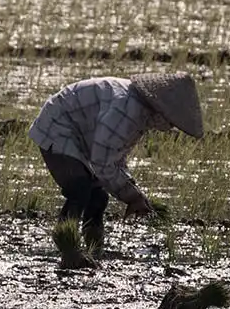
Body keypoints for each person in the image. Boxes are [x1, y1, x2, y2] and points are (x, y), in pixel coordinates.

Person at [28, 73, 204, 269]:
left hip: (78, 133)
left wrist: (134, 192)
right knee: (80, 189)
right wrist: (131, 197)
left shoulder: (139, 113)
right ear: (160, 111)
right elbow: (102, 163)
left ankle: (94, 250)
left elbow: (115, 157)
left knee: (98, 197)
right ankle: (68, 249)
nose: (170, 127)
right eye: (170, 121)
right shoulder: (127, 112)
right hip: (57, 126)